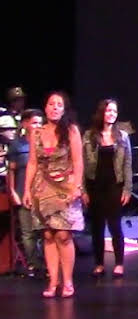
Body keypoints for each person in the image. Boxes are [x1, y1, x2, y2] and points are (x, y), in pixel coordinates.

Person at [22, 91, 84, 298]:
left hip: (65, 187)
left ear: (64, 109)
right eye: (51, 104)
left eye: (59, 104)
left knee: (64, 235)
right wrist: (27, 190)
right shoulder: (37, 133)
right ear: (46, 107)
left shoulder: (71, 131)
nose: (55, 107)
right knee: (48, 234)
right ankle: (53, 281)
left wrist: (77, 186)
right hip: (42, 188)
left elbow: (78, 162)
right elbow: (32, 162)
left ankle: (67, 282)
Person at [82, 99, 133, 277]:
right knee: (96, 226)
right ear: (101, 113)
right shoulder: (89, 136)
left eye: (114, 111)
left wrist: (127, 189)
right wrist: (83, 191)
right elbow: (81, 164)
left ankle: (119, 263)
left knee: (115, 225)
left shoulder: (123, 136)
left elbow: (127, 164)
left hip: (114, 185)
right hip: (94, 185)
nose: (111, 114)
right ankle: (99, 263)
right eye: (108, 111)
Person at [7, 109, 44, 276]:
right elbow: (11, 171)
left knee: (43, 231)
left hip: (43, 195)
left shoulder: (45, 143)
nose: (37, 125)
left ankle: (47, 263)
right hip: (23, 193)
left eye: (39, 122)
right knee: (27, 232)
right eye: (34, 122)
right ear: (24, 124)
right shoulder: (17, 145)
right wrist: (13, 192)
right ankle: (33, 264)